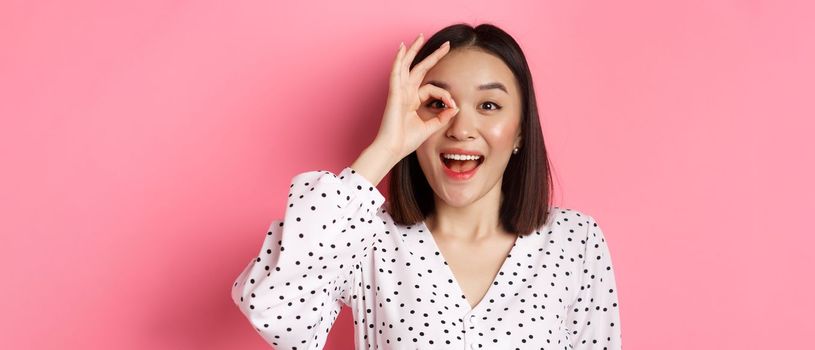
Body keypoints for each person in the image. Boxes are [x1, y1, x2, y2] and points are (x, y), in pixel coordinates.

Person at [231, 23, 622, 349]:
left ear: (520, 131)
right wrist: (386, 148)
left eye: (488, 106)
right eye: (438, 103)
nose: (461, 129)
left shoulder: (574, 241)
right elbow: (277, 311)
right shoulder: (368, 239)